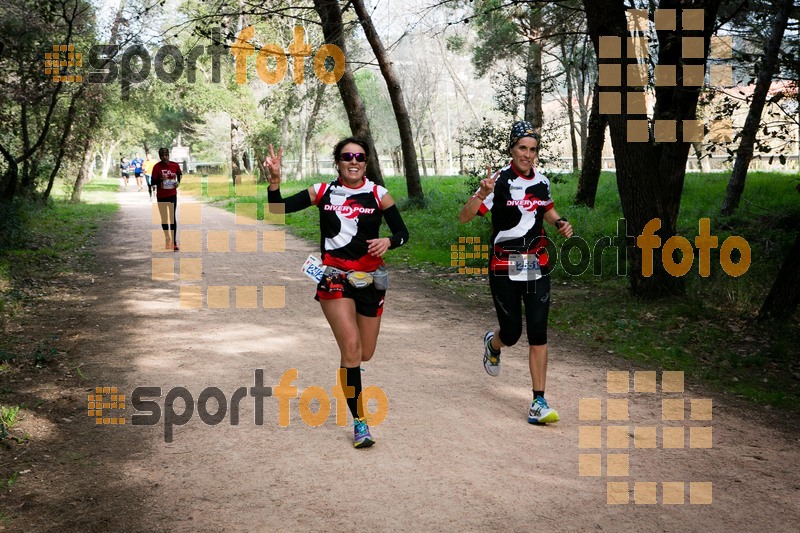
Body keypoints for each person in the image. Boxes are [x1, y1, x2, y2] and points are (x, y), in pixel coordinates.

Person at [264, 138, 409, 448]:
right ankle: (360, 422)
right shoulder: (322, 191)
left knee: (364, 352)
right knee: (352, 347)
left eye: (359, 156)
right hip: (334, 279)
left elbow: (402, 233)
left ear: (366, 162)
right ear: (338, 162)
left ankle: (350, 370)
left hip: (371, 280)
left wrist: (389, 242)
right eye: (346, 156)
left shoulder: (378, 194)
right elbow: (276, 210)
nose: (352, 161)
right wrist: (274, 183)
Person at [458, 120, 573, 425]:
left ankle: (538, 401)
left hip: (536, 264)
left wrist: (560, 222)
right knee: (511, 333)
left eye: (533, 149)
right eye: (522, 148)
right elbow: (464, 217)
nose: (528, 154)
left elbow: (544, 208)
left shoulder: (542, 182)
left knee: (538, 332)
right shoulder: (498, 182)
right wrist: (481, 195)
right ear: (511, 149)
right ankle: (493, 344)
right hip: (503, 267)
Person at [150, 147, 182, 251]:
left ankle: (174, 242)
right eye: (162, 155)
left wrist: (178, 183)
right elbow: (152, 182)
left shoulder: (175, 165)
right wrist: (160, 179)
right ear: (159, 156)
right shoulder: (156, 167)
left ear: (169, 155)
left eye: (166, 154)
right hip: (161, 196)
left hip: (172, 194)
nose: (164, 157)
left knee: (172, 218)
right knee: (164, 219)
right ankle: (167, 238)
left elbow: (179, 174)